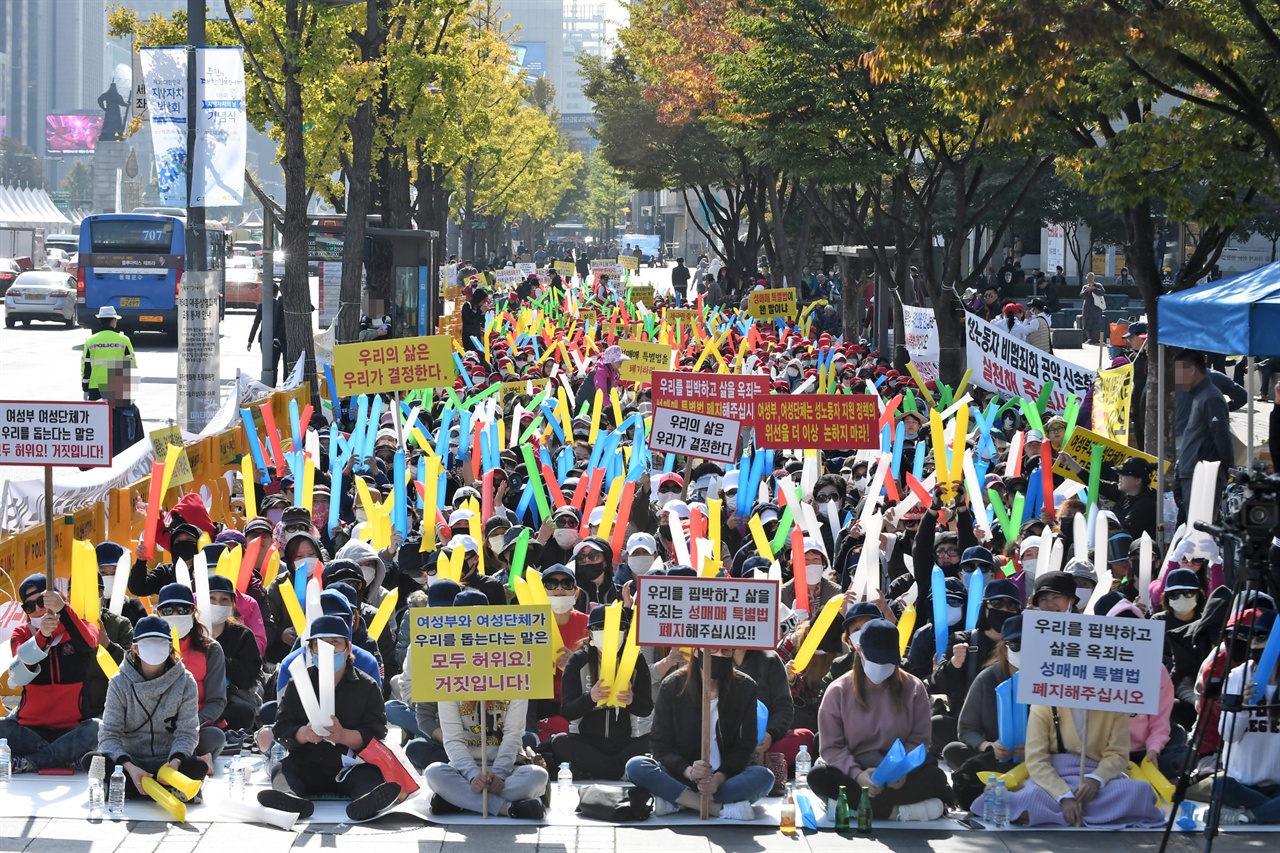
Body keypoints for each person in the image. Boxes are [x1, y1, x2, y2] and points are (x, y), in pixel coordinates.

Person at [258, 615, 403, 821]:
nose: (328, 649)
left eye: (335, 642)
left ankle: (367, 801)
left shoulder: (367, 685)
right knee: (282, 769)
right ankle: (290, 799)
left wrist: (343, 735)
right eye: (320, 644)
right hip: (307, 761)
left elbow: (377, 731)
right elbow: (282, 728)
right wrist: (305, 734)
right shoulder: (298, 682)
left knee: (369, 774)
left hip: (350, 764)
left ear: (348, 648)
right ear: (311, 650)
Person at [809, 619, 953, 821]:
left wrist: (902, 770)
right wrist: (858, 775)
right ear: (859, 651)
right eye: (875, 660)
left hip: (899, 771)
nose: (881, 667)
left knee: (935, 777)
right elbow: (832, 748)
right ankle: (896, 812)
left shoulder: (914, 688)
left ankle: (859, 808)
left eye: (887, 661)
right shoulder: (838, 691)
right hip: (855, 767)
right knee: (818, 776)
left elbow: (920, 739)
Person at [625, 648, 773, 820]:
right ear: (696, 651)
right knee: (636, 766)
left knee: (764, 777)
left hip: (724, 779)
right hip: (680, 774)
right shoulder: (672, 686)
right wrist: (688, 771)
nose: (718, 656)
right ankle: (717, 808)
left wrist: (718, 778)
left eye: (725, 651)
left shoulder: (745, 687)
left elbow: (746, 746)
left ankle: (678, 801)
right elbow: (660, 746)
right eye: (712, 650)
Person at [989, 700, 1164, 826]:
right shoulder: (1045, 702)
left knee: (1140, 791)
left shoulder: (1114, 703)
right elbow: (1036, 759)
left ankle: (1058, 815)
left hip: (1097, 777)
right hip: (1055, 776)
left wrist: (1096, 780)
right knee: (1029, 798)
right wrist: (1063, 796)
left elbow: (1118, 754)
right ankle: (1082, 813)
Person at [90, 616, 208, 796]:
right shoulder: (119, 682)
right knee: (92, 761)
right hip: (130, 761)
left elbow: (187, 732)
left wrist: (174, 763)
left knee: (199, 766)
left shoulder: (185, 681)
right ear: (135, 648)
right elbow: (109, 734)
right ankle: (154, 786)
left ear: (170, 647)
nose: (154, 646)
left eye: (160, 641)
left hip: (168, 762)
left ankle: (136, 788)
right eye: (147, 642)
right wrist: (128, 766)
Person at [0, 574, 101, 772]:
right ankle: (63, 756)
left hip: (71, 729)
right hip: (30, 729)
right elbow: (21, 666)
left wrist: (63, 609)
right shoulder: (21, 633)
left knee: (97, 728)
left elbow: (89, 643)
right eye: (30, 607)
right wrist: (42, 637)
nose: (37, 610)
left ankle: (33, 761)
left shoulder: (81, 625)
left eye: (42, 601)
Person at [550, 606, 654, 780]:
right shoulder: (578, 660)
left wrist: (631, 700)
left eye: (617, 628)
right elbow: (567, 711)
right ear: (590, 633)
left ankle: (598, 770)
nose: (609, 633)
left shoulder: (635, 660)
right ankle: (618, 772)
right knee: (559, 741)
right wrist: (590, 698)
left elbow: (646, 708)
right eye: (601, 628)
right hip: (586, 741)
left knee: (654, 739)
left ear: (626, 632)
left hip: (623, 742)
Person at [1215, 610, 1280, 824]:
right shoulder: (1237, 676)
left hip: (1277, 785)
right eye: (1251, 637)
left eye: (1261, 637)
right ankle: (1269, 812)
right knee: (1220, 785)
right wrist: (1241, 706)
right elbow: (1228, 734)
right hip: (1243, 784)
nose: (1253, 643)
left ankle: (1250, 816)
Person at [156, 583, 229, 764]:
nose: (175, 615)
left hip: (196, 725)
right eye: (167, 611)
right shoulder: (147, 647)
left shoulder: (210, 649)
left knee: (215, 737)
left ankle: (184, 758)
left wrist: (191, 723)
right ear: (158, 614)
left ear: (193, 612)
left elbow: (217, 700)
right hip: (153, 727)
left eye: (181, 609)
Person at [1172, 349, 1233, 522]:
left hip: (1202, 476)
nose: (1177, 380)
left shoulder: (1211, 397)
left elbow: (1222, 438)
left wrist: (1229, 470)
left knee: (1199, 531)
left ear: (1191, 370)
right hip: (1191, 473)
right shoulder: (1199, 395)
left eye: (1179, 373)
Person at [81, 305, 137, 401]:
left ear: (100, 320)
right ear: (113, 321)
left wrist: (85, 388)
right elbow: (131, 364)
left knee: (98, 415)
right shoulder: (123, 340)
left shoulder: (90, 341)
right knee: (117, 415)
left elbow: (86, 367)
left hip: (95, 387)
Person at [248, 282, 286, 381]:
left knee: (269, 364)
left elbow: (255, 324)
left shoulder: (262, 306)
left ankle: (270, 384)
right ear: (276, 293)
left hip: (264, 339)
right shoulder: (280, 304)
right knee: (277, 362)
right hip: (277, 338)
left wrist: (250, 340)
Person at [1080, 273, 1107, 346]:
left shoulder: (1098, 285)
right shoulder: (1085, 287)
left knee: (1096, 323)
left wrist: (1094, 289)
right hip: (1087, 308)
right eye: (1088, 278)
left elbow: (1102, 293)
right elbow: (1082, 296)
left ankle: (1096, 339)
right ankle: (1090, 338)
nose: (1090, 279)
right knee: (1087, 323)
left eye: (1091, 277)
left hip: (1096, 308)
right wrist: (1087, 291)